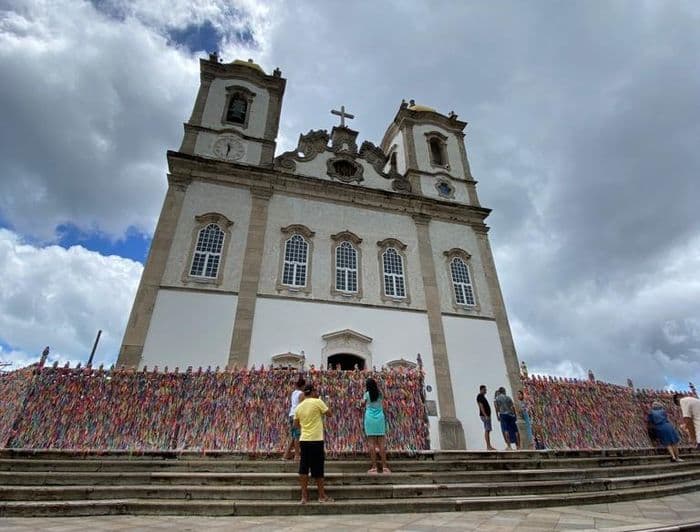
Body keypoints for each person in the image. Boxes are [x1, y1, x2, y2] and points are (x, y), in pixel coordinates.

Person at [294, 383, 333, 504]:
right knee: (318, 468)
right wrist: (327, 403)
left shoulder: (299, 407)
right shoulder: (318, 402)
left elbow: (295, 425)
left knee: (304, 467)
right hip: (316, 439)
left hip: (304, 440)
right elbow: (329, 414)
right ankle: (321, 496)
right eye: (315, 391)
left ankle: (304, 497)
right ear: (312, 391)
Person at [362, 378, 390, 474]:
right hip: (380, 419)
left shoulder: (366, 394)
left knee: (371, 443)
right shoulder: (380, 394)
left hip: (370, 418)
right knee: (382, 443)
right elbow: (385, 398)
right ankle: (385, 467)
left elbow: (362, 404)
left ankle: (374, 467)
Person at [283, 377, 305, 460]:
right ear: (303, 385)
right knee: (297, 436)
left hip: (291, 415)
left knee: (293, 435)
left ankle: (286, 455)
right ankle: (297, 455)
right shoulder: (301, 394)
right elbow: (301, 406)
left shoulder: (293, 393)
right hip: (296, 416)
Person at [476, 385, 496, 450]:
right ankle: (488, 446)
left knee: (488, 430)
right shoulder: (480, 397)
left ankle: (489, 445)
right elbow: (481, 406)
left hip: (487, 415)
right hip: (485, 416)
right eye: (484, 390)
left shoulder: (482, 397)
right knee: (487, 430)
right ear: (481, 390)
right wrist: (485, 415)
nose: (486, 391)